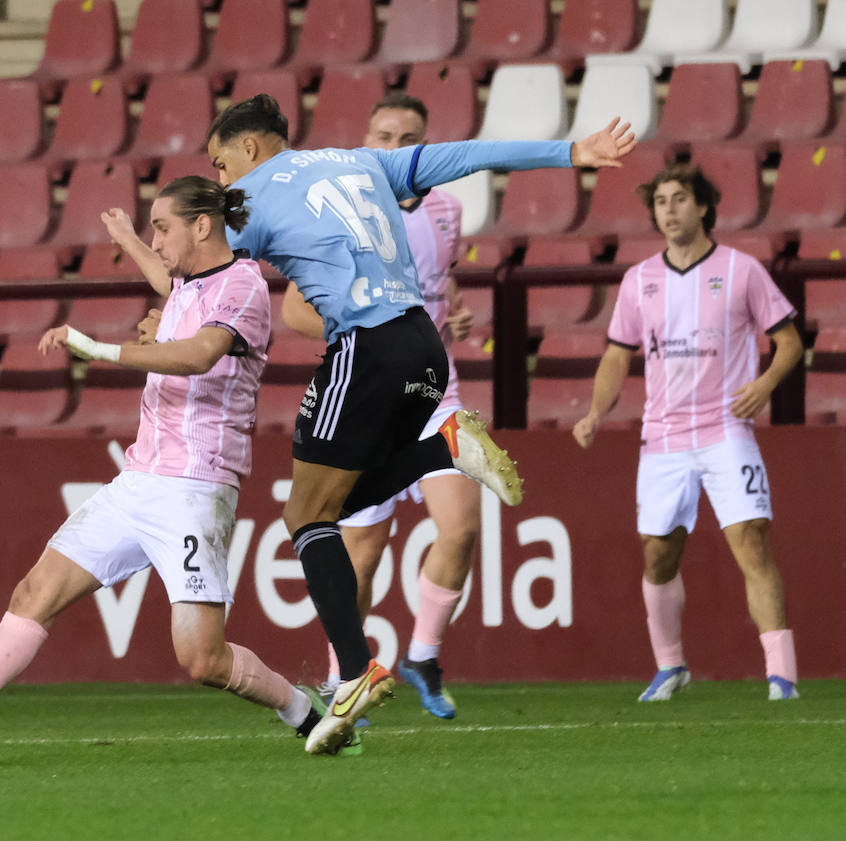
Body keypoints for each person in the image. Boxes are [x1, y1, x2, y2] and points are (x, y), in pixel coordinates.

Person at [206, 94, 636, 753]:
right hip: (426, 350)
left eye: (220, 162)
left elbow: (204, 268)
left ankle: (353, 671)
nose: (220, 178)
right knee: (321, 512)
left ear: (253, 149)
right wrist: (571, 151)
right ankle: (443, 447)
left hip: (365, 347)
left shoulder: (249, 195)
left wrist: (163, 301)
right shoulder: (364, 162)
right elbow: (469, 156)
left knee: (305, 519)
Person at [0, 177, 337, 758]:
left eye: (162, 227)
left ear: (202, 226)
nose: (156, 239)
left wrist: (99, 349)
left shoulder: (242, 285)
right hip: (138, 481)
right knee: (35, 591)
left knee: (202, 660)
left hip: (195, 487)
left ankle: (301, 709)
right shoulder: (190, 284)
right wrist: (128, 240)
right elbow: (169, 283)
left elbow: (198, 354)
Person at [572, 164, 804, 702]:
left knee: (752, 541)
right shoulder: (639, 280)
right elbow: (616, 355)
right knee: (658, 553)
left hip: (726, 429)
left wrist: (765, 384)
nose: (669, 210)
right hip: (664, 437)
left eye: (679, 199)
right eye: (660, 202)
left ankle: (782, 677)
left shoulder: (741, 271)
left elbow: (790, 342)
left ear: (703, 207)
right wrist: (594, 412)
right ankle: (670, 665)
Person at [281, 93, 477, 720]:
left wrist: (455, 310)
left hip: (433, 389)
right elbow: (292, 310)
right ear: (366, 141)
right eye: (385, 135)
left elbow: (439, 284)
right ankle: (346, 680)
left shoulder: (449, 208)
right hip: (369, 392)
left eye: (409, 136)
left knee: (462, 527)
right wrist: (366, 334)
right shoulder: (340, 209)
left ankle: (422, 654)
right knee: (362, 551)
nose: (395, 146)